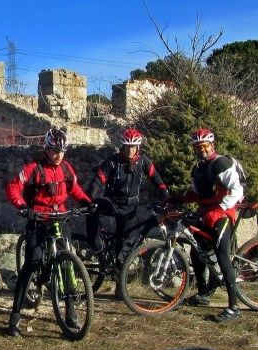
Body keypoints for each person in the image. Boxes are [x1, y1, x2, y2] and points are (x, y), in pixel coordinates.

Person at [4, 127, 92, 337]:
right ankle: (14, 318)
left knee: (69, 264)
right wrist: (23, 207)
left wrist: (89, 202)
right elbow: (13, 187)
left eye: (62, 150)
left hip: (60, 219)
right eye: (54, 150)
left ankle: (70, 312)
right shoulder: (34, 168)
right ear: (47, 148)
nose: (58, 154)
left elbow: (75, 189)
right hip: (39, 220)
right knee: (32, 264)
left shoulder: (66, 169)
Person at [170, 127, 245, 323]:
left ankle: (234, 307)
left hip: (223, 215)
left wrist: (220, 208)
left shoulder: (221, 163)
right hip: (205, 212)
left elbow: (237, 191)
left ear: (212, 145)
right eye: (197, 146)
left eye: (204, 145)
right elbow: (196, 193)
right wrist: (177, 199)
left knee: (222, 256)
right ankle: (203, 293)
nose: (201, 149)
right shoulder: (199, 168)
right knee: (197, 251)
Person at [86, 128, 170, 276]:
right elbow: (97, 181)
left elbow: (156, 179)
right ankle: (99, 251)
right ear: (122, 146)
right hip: (111, 202)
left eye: (133, 147)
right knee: (92, 214)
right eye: (127, 146)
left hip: (130, 206)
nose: (130, 150)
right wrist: (89, 200)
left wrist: (166, 196)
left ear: (138, 147)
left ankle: (120, 279)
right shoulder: (112, 162)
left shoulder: (143, 161)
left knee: (125, 243)